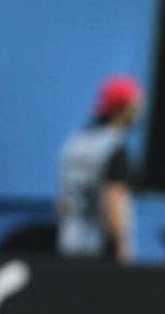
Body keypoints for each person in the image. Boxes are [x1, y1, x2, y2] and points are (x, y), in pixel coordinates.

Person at [57, 75, 142, 263]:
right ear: (123, 108)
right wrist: (121, 246)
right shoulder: (114, 148)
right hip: (101, 248)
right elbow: (113, 199)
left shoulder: (75, 143)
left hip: (70, 242)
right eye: (135, 106)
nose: (139, 113)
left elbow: (61, 203)